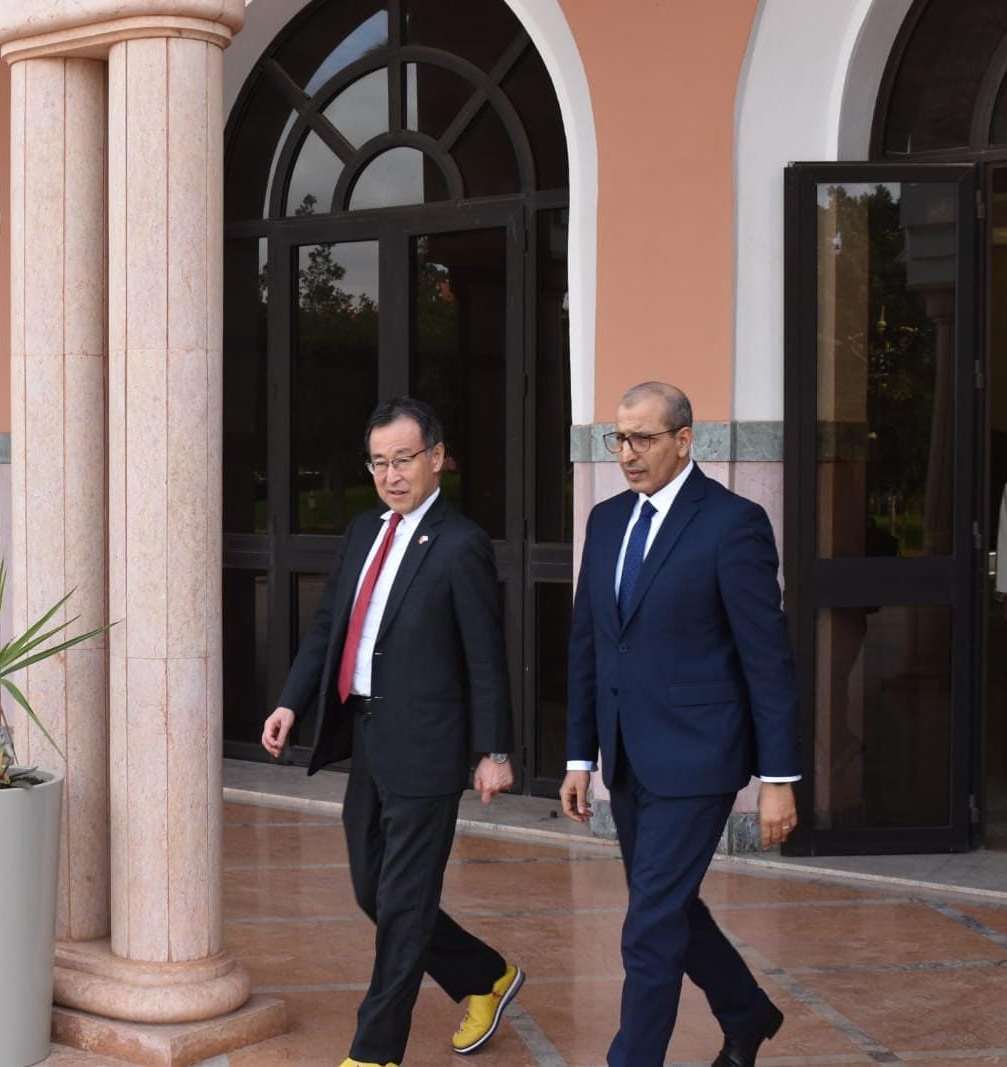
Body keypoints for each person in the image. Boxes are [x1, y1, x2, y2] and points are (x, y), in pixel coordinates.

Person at [261, 397, 523, 1067]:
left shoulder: (460, 544)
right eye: (378, 462)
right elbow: (329, 624)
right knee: (370, 888)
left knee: (404, 904)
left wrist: (493, 750)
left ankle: (375, 1052)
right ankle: (484, 974)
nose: (391, 475)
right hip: (369, 736)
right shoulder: (362, 531)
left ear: (437, 458)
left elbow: (485, 658)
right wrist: (291, 701)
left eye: (403, 459)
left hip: (429, 745)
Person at [559, 382, 801, 1067]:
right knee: (666, 906)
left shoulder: (732, 523)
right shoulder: (607, 520)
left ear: (684, 439)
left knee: (649, 925)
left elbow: (766, 658)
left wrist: (779, 778)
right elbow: (589, 644)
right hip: (626, 755)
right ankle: (747, 1012)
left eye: (643, 438)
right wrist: (579, 756)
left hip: (699, 757)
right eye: (619, 438)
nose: (627, 453)